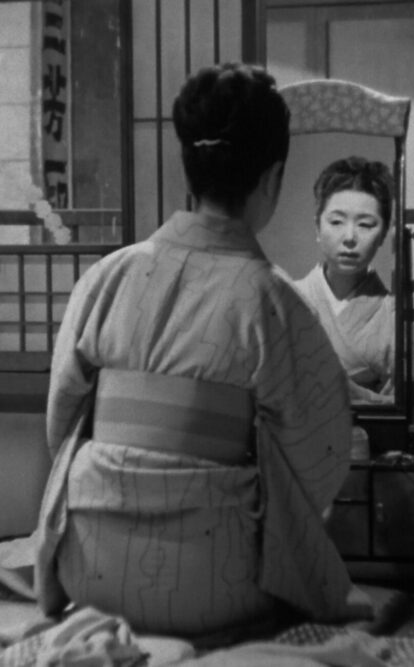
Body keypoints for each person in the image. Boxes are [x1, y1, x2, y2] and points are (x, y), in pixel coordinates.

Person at [35, 63, 366, 638]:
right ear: (273, 178)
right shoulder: (273, 300)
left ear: (188, 165)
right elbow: (323, 456)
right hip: (215, 583)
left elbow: (61, 422)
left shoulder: (108, 276)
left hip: (88, 571)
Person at [295, 156, 395, 405]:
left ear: (383, 233)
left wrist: (360, 395)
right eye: (337, 222)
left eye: (365, 224)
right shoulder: (288, 298)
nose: (350, 237)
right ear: (317, 227)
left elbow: (399, 404)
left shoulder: (393, 315)